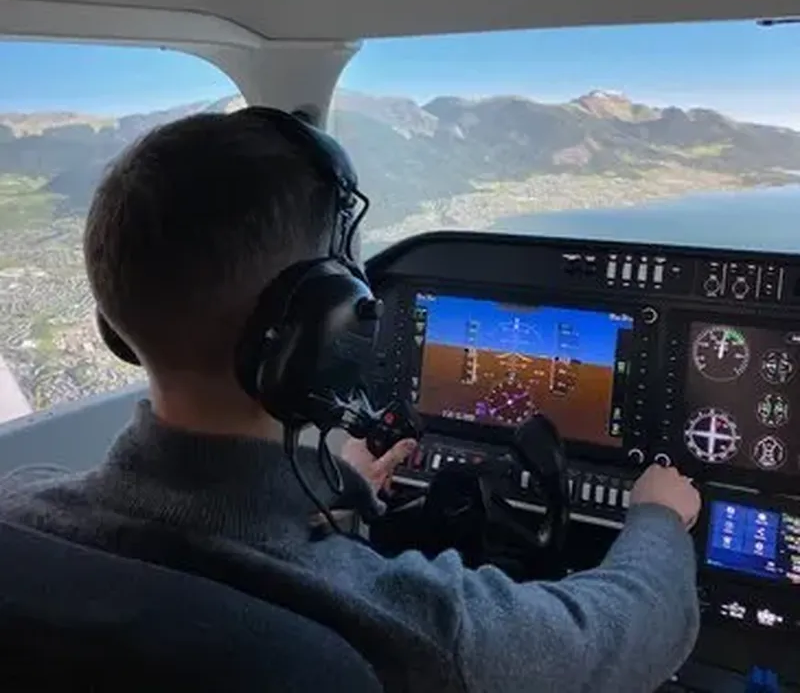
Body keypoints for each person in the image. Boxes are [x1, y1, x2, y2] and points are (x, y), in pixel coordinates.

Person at [0, 109, 701, 693]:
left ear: (115, 324)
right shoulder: (420, 632)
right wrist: (658, 521)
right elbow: (618, 634)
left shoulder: (20, 515)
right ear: (322, 326)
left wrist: (331, 505)